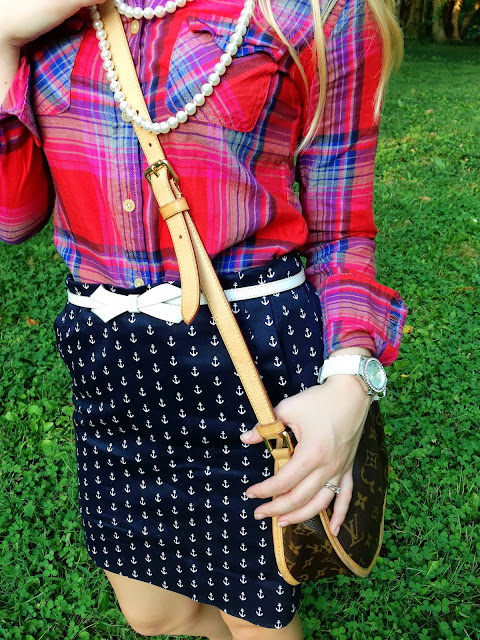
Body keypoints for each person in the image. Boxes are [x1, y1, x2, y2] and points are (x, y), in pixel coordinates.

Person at [0, 0, 407, 638]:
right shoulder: (38, 13)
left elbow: (343, 233)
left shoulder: (319, 12)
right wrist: (1, 41)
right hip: (113, 368)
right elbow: (14, 219)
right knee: (152, 614)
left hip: (251, 370)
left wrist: (353, 382)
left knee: (256, 617)